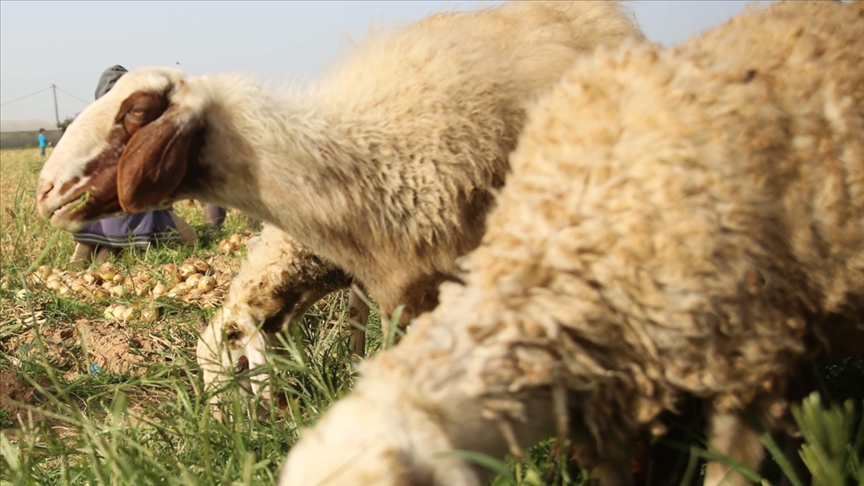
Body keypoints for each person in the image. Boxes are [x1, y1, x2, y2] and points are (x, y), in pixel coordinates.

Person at [69, 65, 201, 268]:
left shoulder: (83, 121)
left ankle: (85, 261)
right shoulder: (142, 125)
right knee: (191, 241)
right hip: (134, 213)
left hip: (92, 214)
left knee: (90, 251)